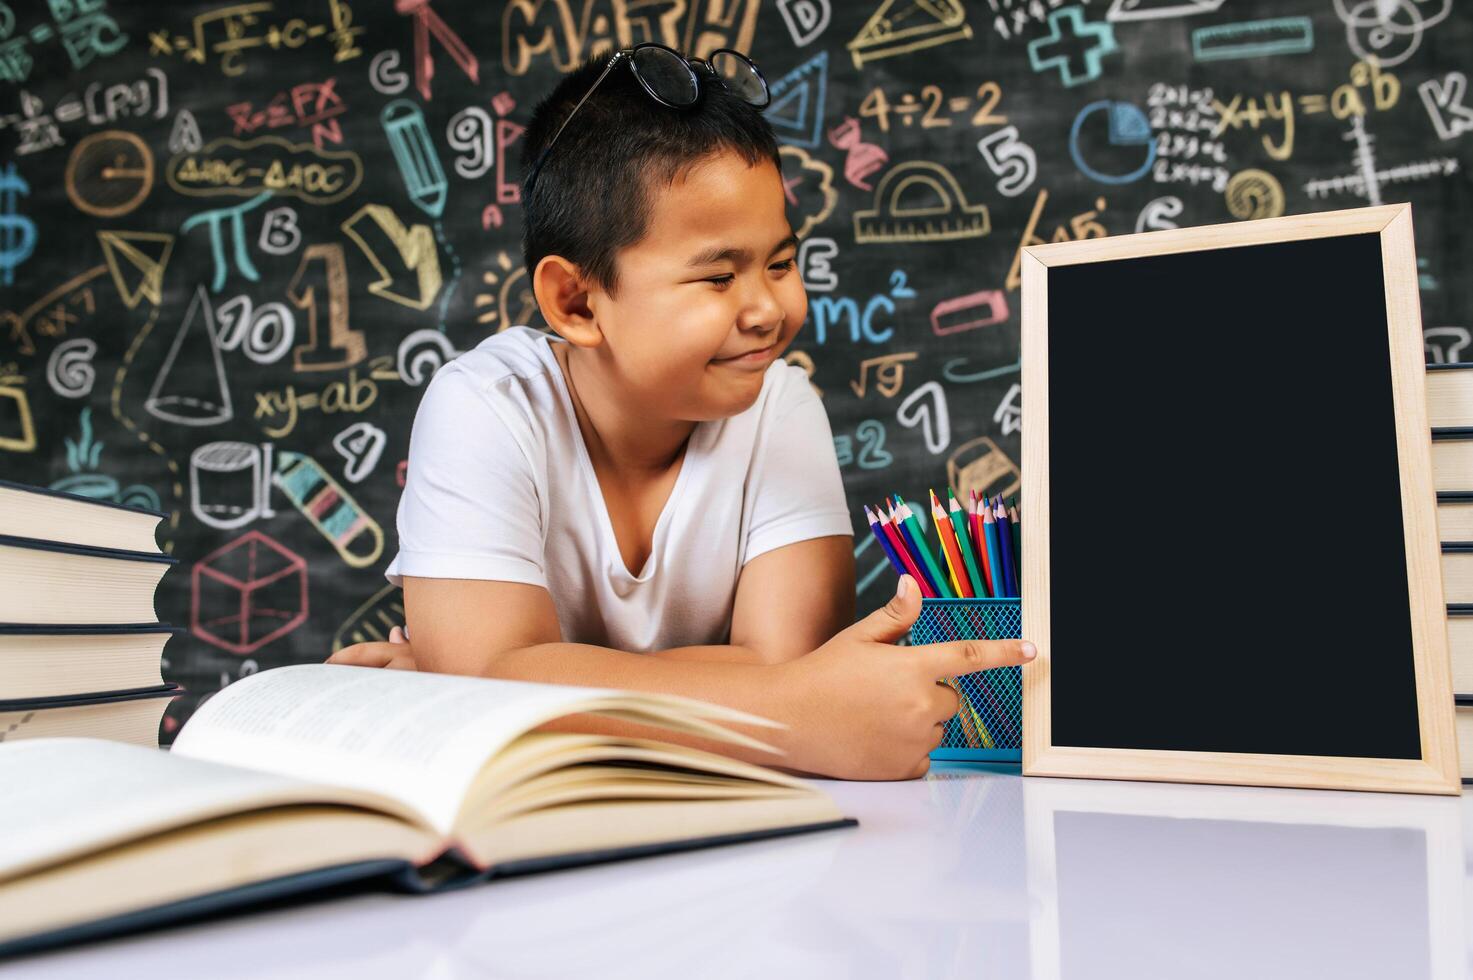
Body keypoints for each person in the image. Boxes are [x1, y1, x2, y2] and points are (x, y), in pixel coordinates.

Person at [327, 46, 1034, 779]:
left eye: (782, 264)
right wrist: (783, 708)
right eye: (720, 276)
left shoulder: (780, 408)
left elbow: (789, 668)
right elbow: (794, 696)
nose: (768, 309)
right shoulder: (485, 407)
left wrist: (515, 687)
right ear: (576, 301)